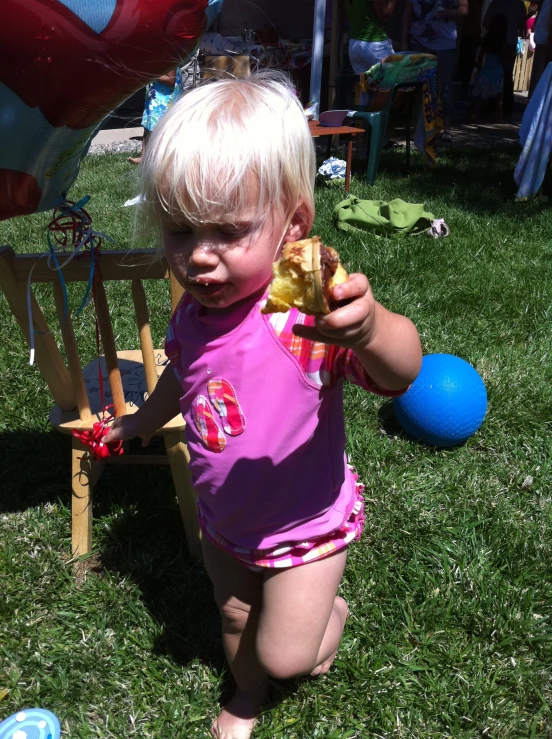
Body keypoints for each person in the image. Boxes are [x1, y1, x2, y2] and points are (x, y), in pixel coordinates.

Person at [104, 73, 422, 739]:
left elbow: (401, 372)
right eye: (180, 231)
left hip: (305, 525)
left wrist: (369, 330)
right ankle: (244, 697)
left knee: (289, 655)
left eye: (225, 231)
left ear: (293, 225)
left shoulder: (300, 301)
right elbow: (181, 377)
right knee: (234, 618)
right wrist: (140, 418)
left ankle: (321, 619)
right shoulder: (194, 313)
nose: (198, 258)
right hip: (226, 516)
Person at [402, 0, 469, 141]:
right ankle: (419, 127)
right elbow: (407, 13)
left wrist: (448, 12)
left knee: (445, 85)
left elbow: (464, 9)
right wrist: (403, 39)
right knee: (417, 84)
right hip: (418, 39)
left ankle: (446, 129)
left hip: (444, 43)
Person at [128, 67, 183, 165]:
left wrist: (150, 75)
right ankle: (144, 157)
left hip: (165, 98)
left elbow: (171, 80)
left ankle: (160, 158)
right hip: (155, 96)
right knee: (148, 126)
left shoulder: (167, 54)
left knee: (160, 128)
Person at [483, 0, 526, 115]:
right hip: (510, 43)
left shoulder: (496, 3)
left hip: (495, 42)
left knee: (490, 72)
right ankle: (506, 106)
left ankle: (489, 103)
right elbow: (522, 26)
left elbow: (485, 23)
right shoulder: (519, 4)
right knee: (506, 75)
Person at [469, 13, 508, 120]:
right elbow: (502, 57)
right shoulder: (503, 41)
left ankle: (473, 114)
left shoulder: (488, 38)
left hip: (487, 68)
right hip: (498, 69)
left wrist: (478, 65)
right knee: (499, 97)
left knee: (481, 95)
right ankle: (500, 118)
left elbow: (481, 54)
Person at [344, 0, 398, 72]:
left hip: (354, 45)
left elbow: (345, 10)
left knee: (366, 83)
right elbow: (384, 14)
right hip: (375, 45)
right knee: (393, 79)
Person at [530, 0, 552, 94]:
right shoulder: (544, 2)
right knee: (537, 72)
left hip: (547, 43)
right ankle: (533, 96)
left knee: (540, 73)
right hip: (540, 40)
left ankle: (536, 96)